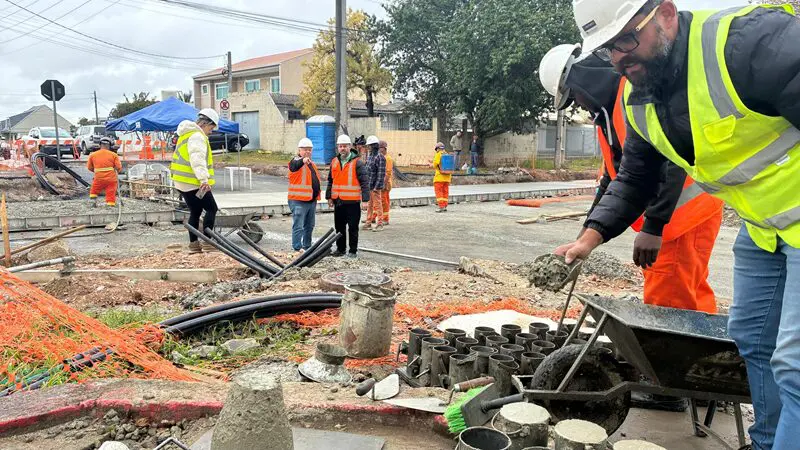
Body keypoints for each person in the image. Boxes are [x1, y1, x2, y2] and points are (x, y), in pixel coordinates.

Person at [562, 1, 800, 447]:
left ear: (666, 13)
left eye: (627, 39)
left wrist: (655, 226)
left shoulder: (749, 44)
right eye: (608, 49)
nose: (618, 57)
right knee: (752, 341)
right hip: (763, 227)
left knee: (796, 364)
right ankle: (767, 441)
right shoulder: (640, 98)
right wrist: (588, 239)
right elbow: (634, 177)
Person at [540, 43, 725, 412]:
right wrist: (585, 237)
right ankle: (704, 381)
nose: (578, 104)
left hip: (682, 215)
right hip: (675, 216)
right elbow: (613, 179)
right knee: (686, 295)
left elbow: (673, 164)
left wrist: (654, 225)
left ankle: (671, 388)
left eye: (574, 96)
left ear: (581, 78)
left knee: (670, 299)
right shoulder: (608, 115)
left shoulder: (635, 96)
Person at [170, 108, 219, 254]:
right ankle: (208, 242)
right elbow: (196, 158)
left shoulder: (186, 134)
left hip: (181, 181)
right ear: (205, 123)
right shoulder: (197, 136)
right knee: (211, 208)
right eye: (211, 128)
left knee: (196, 211)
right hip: (193, 182)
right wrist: (203, 179)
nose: (211, 131)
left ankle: (194, 245)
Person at [326, 134, 369, 258]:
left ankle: (352, 251)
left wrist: (365, 200)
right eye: (340, 146)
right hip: (338, 201)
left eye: (345, 146)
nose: (342, 148)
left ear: (350, 147)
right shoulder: (334, 161)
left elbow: (365, 182)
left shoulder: (357, 162)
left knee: (353, 227)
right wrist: (329, 197)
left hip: (352, 202)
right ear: (338, 148)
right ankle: (340, 249)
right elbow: (330, 180)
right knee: (339, 227)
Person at [288, 137, 321, 252]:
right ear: (299, 150)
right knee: (299, 226)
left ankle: (307, 247)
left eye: (309, 149)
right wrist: (302, 160)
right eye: (305, 149)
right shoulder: (295, 161)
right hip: (298, 201)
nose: (307, 152)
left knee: (309, 226)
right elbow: (294, 165)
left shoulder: (312, 164)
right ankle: (297, 248)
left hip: (311, 201)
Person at [86, 137, 122, 207]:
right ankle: (110, 205)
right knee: (111, 192)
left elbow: (89, 167)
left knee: (94, 190)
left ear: (100, 145)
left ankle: (92, 203)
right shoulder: (113, 155)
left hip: (98, 178)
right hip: (111, 178)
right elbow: (118, 167)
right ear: (110, 146)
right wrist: (116, 171)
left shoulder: (92, 155)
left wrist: (97, 171)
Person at [363, 135, 386, 232]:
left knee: (378, 204)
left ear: (373, 146)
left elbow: (381, 174)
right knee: (369, 205)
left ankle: (380, 223)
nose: (368, 147)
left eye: (369, 146)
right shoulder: (370, 156)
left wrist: (377, 187)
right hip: (369, 185)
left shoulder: (380, 157)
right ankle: (368, 222)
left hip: (375, 186)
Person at [433, 142, 452, 213]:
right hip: (447, 178)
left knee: (439, 192)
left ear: (437, 149)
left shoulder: (438, 154)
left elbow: (435, 164)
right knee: (445, 192)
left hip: (439, 178)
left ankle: (441, 207)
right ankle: (445, 206)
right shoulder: (447, 154)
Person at [379, 140, 393, 225]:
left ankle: (385, 219)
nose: (379, 150)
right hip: (380, 183)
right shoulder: (380, 157)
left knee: (384, 201)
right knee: (377, 201)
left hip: (385, 183)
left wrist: (384, 184)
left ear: (384, 148)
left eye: (380, 148)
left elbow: (388, 173)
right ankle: (374, 217)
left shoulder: (388, 158)